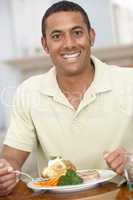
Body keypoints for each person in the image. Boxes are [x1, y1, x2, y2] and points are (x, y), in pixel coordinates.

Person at [0, 0, 132, 196]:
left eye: (77, 33)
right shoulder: (28, 91)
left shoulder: (129, 81)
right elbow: (12, 158)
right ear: (45, 44)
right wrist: (5, 172)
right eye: (56, 36)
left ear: (91, 36)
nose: (69, 44)